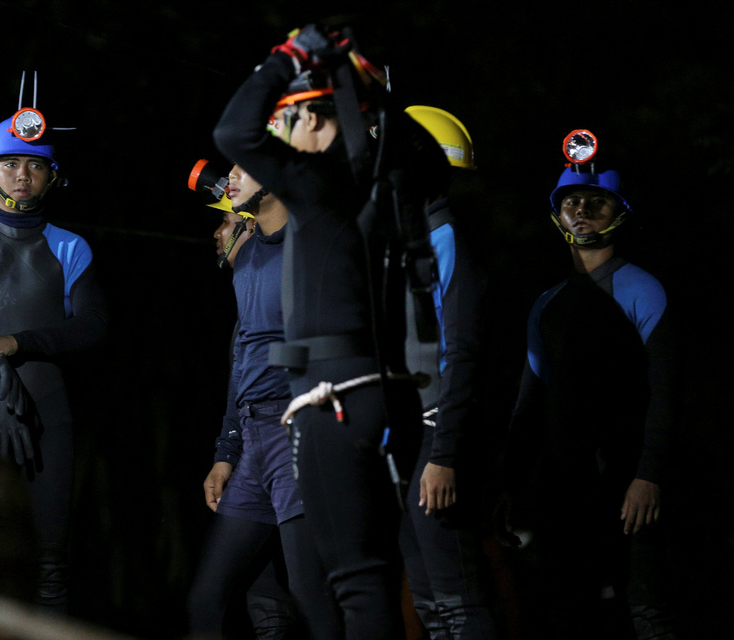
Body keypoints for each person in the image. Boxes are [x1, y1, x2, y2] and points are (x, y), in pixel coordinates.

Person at [214, 25, 451, 639]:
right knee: (378, 571)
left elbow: (232, 130)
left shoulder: (318, 190)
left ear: (318, 125)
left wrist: (289, 59)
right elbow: (403, 136)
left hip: (332, 398)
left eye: (293, 122)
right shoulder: (394, 184)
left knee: (349, 583)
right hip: (390, 392)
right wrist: (353, 77)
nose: (284, 137)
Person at [498, 130, 679, 639]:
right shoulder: (547, 304)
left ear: (617, 211)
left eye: (595, 202)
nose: (581, 210)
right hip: (566, 488)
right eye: (571, 201)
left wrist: (650, 474)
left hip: (629, 480)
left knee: (645, 609)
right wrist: (508, 485)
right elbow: (528, 404)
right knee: (570, 612)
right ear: (558, 214)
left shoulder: (644, 289)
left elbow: (666, 391)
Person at [0, 108, 108, 610]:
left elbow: (92, 325)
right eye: (10, 163)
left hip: (46, 412)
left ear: (53, 176)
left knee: (49, 559)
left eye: (35, 166)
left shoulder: (69, 246)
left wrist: (14, 344)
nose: (22, 175)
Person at [187, 163, 342, 639]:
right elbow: (244, 355)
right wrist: (226, 450)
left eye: (242, 167)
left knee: (310, 592)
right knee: (205, 600)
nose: (229, 178)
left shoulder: (313, 246)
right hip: (254, 441)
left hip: (297, 430)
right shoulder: (249, 256)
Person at [399, 106, 497, 639]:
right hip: (408, 439)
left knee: (456, 598)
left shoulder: (448, 239)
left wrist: (443, 454)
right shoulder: (413, 241)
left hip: (435, 437)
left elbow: (461, 354)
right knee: (431, 602)